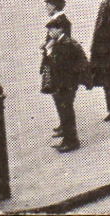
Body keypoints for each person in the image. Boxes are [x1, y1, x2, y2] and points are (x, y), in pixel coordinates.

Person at [41, 13, 88, 152]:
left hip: (65, 84)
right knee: (64, 111)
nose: (50, 33)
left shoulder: (65, 44)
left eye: (52, 30)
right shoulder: (60, 42)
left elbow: (61, 63)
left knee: (66, 112)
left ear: (60, 29)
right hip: (62, 83)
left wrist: (49, 52)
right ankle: (68, 139)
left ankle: (71, 141)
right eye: (49, 31)